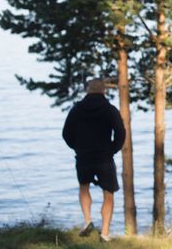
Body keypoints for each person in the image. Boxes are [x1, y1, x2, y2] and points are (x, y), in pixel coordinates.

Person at [62, 78, 125, 242]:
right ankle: (104, 234)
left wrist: (77, 148)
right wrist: (112, 150)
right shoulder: (110, 110)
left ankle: (88, 220)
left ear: (88, 90)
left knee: (84, 187)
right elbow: (120, 133)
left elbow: (66, 134)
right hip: (104, 157)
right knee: (108, 193)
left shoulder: (76, 109)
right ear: (104, 90)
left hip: (83, 156)